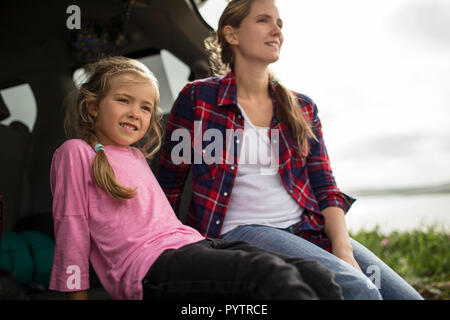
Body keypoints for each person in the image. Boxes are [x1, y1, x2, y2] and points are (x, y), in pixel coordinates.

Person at [157, 0, 423, 300]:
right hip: (241, 233)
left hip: (308, 229)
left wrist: (343, 249)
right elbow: (170, 186)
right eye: (264, 20)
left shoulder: (302, 106)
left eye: (280, 23)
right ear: (232, 35)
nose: (277, 30)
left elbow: (326, 188)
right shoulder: (198, 98)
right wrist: (172, 257)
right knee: (359, 291)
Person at [48, 56, 343, 300]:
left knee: (317, 275)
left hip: (194, 244)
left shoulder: (136, 156)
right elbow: (70, 228)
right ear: (92, 105)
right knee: (270, 275)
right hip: (149, 268)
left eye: (146, 107)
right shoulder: (75, 153)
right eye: (124, 100)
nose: (135, 113)